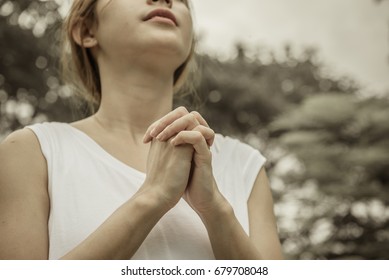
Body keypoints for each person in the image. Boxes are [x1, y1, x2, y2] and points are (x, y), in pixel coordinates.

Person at [0, 0, 283, 260]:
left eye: (182, 0)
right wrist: (152, 197)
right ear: (86, 30)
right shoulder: (31, 152)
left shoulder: (245, 166)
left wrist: (215, 210)